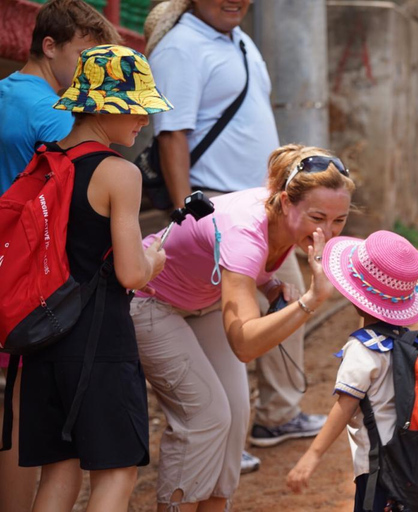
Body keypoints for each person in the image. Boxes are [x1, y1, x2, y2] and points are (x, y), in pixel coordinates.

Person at [143, 0, 324, 463]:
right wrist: (190, 212)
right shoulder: (182, 45)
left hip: (262, 208)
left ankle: (266, 417)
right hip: (220, 209)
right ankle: (223, 428)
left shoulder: (241, 41)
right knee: (236, 321)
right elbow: (172, 134)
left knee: (273, 302)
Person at [130, 145, 354, 511]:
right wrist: (309, 301)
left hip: (202, 300)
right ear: (285, 202)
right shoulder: (246, 232)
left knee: (235, 418)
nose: (326, 233)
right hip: (148, 298)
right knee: (204, 416)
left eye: (339, 221)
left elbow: (251, 271)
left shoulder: (286, 223)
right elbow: (245, 345)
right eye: (317, 217)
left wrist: (269, 287)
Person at [17, 44, 169, 511]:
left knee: (58, 473)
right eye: (138, 107)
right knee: (117, 471)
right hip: (100, 343)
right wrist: (154, 262)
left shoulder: (42, 162)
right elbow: (129, 272)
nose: (144, 119)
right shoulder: (119, 173)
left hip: (43, 338)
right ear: (106, 105)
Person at [0, 2, 120, 510]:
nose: (90, 71)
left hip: (10, 260)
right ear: (48, 47)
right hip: (26, 276)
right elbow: (93, 163)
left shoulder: (7, 92)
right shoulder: (51, 111)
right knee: (20, 415)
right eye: (83, 55)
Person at [286, 231, 418, 511]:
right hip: (410, 457)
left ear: (355, 296)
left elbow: (345, 405)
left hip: (377, 465)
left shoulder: (362, 348)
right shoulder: (407, 340)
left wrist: (313, 455)